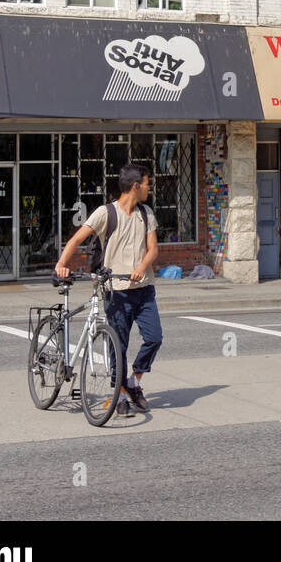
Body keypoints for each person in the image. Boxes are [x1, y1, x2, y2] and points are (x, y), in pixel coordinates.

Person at [55, 164, 161, 418]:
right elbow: (75, 240)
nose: (150, 188)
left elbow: (154, 249)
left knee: (155, 337)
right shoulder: (106, 213)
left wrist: (141, 266)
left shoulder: (146, 213)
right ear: (136, 186)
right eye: (148, 184)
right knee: (119, 345)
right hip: (116, 291)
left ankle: (134, 381)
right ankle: (121, 395)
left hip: (144, 288)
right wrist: (61, 265)